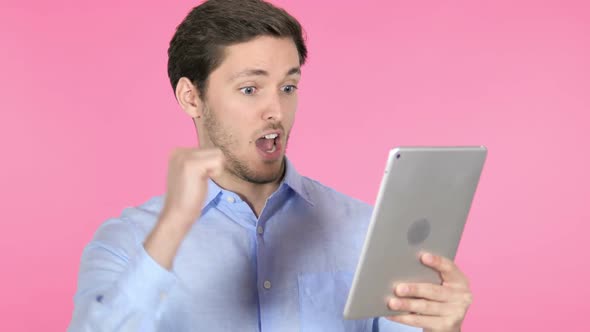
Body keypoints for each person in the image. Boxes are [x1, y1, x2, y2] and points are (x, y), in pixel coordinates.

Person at [68, 0, 473, 331]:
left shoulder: (364, 229)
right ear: (191, 98)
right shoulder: (128, 242)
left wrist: (444, 326)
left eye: (288, 87)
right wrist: (172, 231)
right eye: (250, 89)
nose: (276, 111)